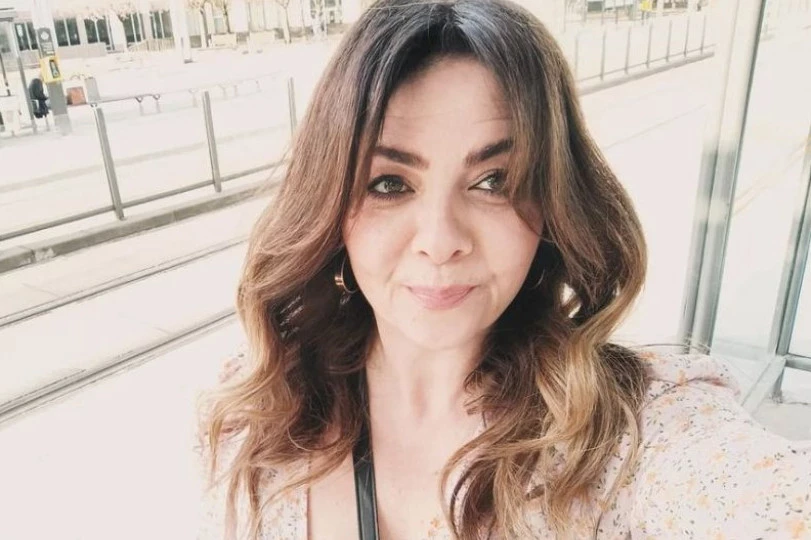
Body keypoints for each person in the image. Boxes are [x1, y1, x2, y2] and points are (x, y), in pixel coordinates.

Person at [198, 0, 811, 538]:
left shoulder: (627, 428)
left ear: (551, 203)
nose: (441, 242)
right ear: (330, 205)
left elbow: (764, 496)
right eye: (389, 183)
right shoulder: (257, 415)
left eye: (494, 181)